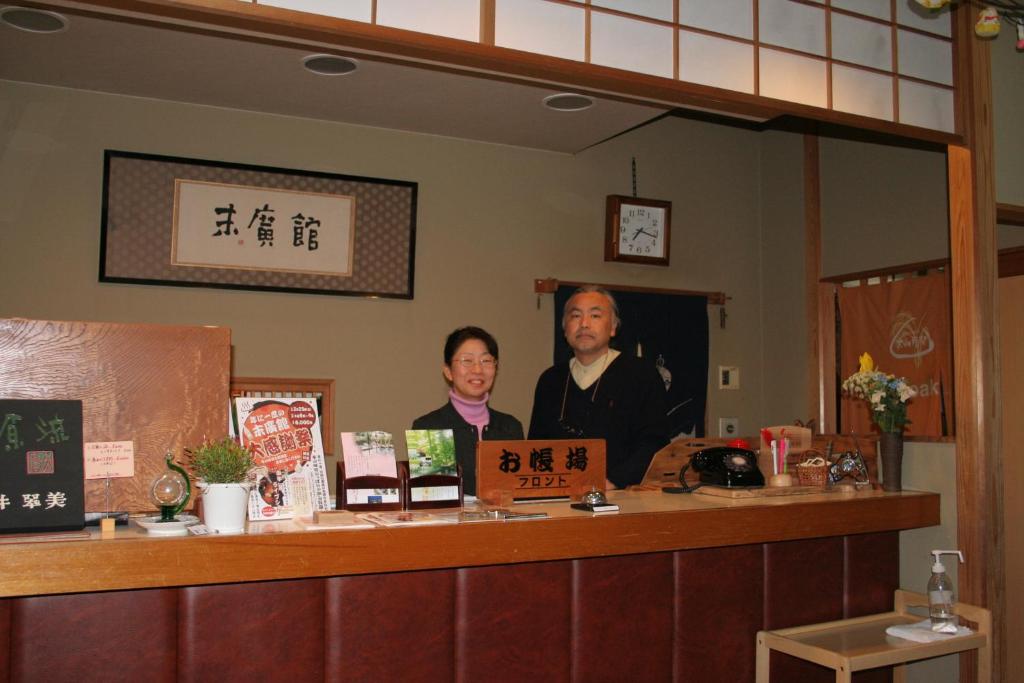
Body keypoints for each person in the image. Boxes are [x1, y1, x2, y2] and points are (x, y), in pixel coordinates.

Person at [528, 285, 669, 489]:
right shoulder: (550, 380)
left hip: (623, 496)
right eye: (575, 316)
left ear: (613, 327)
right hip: (559, 495)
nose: (584, 324)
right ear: (565, 328)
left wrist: (612, 482)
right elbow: (536, 447)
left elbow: (654, 442)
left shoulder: (641, 374)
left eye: (595, 315)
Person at [412, 326, 524, 496]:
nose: (477, 370)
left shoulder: (510, 427)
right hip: (452, 522)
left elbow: (517, 492)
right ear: (448, 371)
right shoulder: (429, 428)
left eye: (486, 361)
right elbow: (431, 500)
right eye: (467, 361)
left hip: (502, 522)